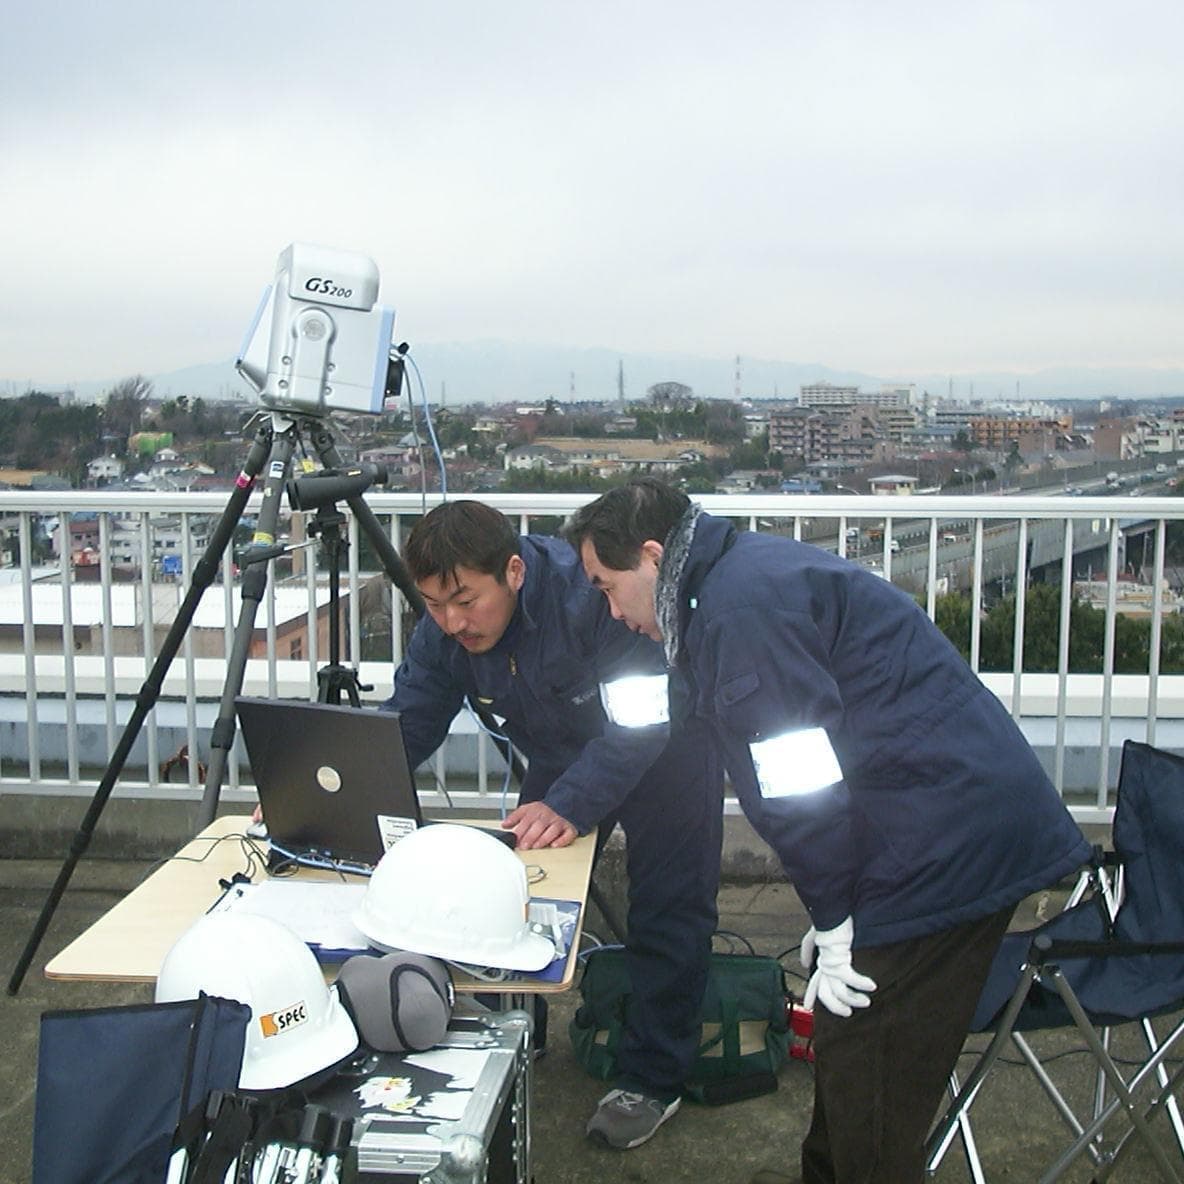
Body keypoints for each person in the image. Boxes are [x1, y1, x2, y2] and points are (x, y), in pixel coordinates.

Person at [566, 478, 1092, 1184]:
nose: (611, 609)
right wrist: (835, 908)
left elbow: (797, 781)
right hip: (927, 819)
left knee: (870, 1062)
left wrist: (836, 914)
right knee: (852, 1050)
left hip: (948, 838)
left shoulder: (737, 611)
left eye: (606, 586)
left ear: (654, 557)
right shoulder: (730, 582)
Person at [381, 499, 724, 1150]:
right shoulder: (445, 628)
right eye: (433, 604)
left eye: (464, 600)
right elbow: (412, 718)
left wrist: (568, 803)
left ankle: (652, 1079)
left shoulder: (588, 596)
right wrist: (339, 779)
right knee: (520, 892)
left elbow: (642, 718)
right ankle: (517, 1039)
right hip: (564, 756)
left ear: (513, 571)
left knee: (669, 910)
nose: (452, 622)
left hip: (665, 748)